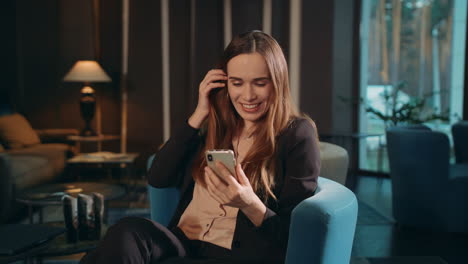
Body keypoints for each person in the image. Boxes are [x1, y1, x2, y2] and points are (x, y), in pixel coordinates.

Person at [80, 30, 320, 264]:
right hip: (181, 244)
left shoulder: (296, 134)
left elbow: (294, 235)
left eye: (260, 83)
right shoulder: (218, 126)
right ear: (225, 85)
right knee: (126, 231)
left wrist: (249, 203)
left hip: (233, 255)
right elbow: (158, 177)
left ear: (277, 82)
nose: (248, 95)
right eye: (237, 83)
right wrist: (199, 114)